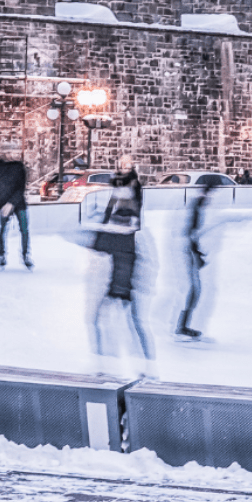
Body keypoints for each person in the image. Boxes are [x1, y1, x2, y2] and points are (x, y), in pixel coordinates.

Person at [91, 155, 154, 367]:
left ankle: (141, 364)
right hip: (122, 281)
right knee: (119, 322)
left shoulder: (133, 185)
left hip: (124, 284)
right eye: (123, 165)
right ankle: (121, 362)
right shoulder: (118, 183)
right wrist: (104, 221)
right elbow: (112, 202)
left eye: (128, 165)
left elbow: (134, 206)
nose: (125, 168)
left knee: (130, 323)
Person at [178, 177, 219, 338]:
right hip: (190, 251)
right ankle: (182, 326)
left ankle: (183, 325)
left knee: (195, 291)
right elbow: (191, 232)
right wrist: (197, 254)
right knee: (194, 291)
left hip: (191, 250)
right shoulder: (198, 205)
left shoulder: (198, 204)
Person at [0, 147, 31, 269]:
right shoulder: (0, 165)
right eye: (7, 151)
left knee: (24, 229)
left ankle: (25, 256)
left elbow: (21, 189)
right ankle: (2, 256)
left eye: (12, 152)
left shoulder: (19, 167)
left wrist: (12, 203)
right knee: (3, 229)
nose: (10, 154)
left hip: (18, 203)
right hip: (3, 202)